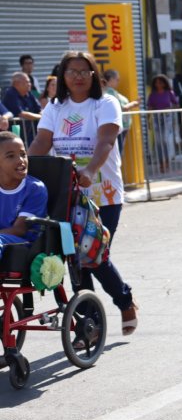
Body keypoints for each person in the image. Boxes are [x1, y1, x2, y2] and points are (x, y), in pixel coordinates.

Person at [29, 50, 139, 335]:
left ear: (93, 75)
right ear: (62, 76)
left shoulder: (105, 104)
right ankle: (88, 327)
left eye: (83, 71)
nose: (77, 76)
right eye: (71, 71)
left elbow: (105, 142)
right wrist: (18, 168)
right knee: (77, 261)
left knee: (94, 254)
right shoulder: (55, 108)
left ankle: (124, 300)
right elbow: (42, 142)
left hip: (104, 194)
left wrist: (89, 170)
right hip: (65, 196)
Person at [0, 131, 47, 260]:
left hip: (25, 241)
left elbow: (20, 229)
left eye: (23, 154)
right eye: (11, 156)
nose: (21, 160)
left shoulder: (35, 189)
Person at [103, 70, 140, 156]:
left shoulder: (109, 92)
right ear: (111, 79)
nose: (118, 82)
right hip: (117, 127)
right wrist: (134, 104)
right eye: (117, 79)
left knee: (117, 151)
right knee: (117, 152)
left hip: (119, 127)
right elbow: (121, 108)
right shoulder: (110, 92)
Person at [147, 74, 179, 174]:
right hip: (156, 118)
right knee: (158, 142)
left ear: (164, 83)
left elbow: (176, 105)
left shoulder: (169, 93)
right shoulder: (152, 95)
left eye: (160, 82)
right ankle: (161, 163)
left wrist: (169, 109)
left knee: (165, 140)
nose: (158, 84)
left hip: (167, 117)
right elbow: (150, 108)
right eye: (156, 82)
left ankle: (166, 162)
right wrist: (148, 121)